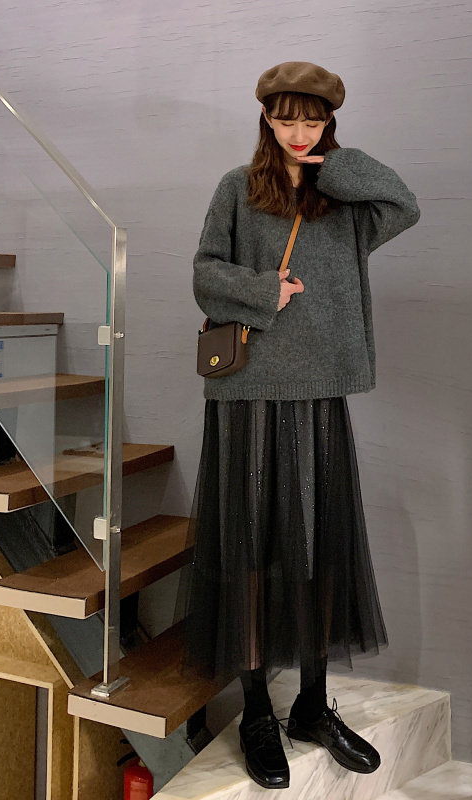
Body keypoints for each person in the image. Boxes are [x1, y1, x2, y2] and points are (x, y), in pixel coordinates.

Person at [175, 61, 420, 790]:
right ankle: (257, 712)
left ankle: (312, 706)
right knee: (251, 546)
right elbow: (203, 272)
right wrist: (263, 290)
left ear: (329, 122)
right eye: (286, 119)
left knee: (319, 545)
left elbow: (403, 204)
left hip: (320, 390)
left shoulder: (344, 197)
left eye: (312, 120)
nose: (299, 132)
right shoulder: (236, 188)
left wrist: (336, 167)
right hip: (249, 392)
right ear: (265, 119)